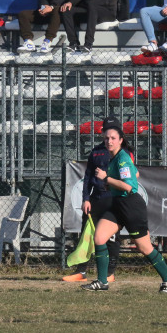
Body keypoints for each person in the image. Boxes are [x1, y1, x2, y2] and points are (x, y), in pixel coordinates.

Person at [81, 118, 167, 292]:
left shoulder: (122, 158)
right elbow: (135, 174)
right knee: (100, 237)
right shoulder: (114, 157)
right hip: (117, 203)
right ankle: (102, 281)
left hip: (131, 205)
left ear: (121, 140)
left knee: (144, 246)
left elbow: (128, 187)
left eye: (113, 138)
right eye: (106, 138)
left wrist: (106, 178)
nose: (109, 141)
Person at [63, 117, 123, 283]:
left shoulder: (124, 153)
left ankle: (110, 273)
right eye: (107, 133)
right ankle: (81, 271)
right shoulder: (96, 152)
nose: (109, 138)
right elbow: (88, 177)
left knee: (111, 238)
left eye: (113, 134)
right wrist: (86, 199)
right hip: (95, 200)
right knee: (86, 235)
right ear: (103, 133)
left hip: (114, 201)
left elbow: (128, 178)